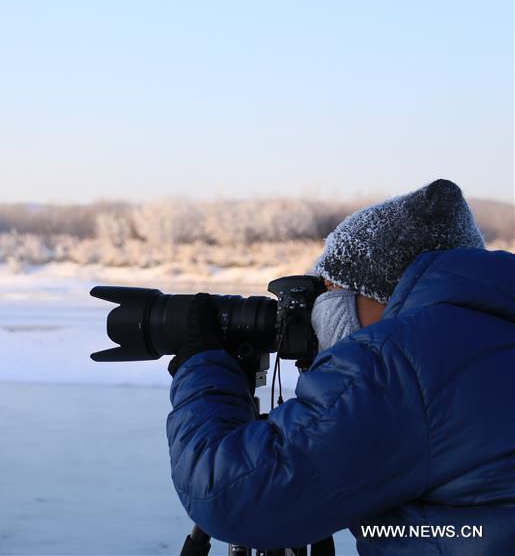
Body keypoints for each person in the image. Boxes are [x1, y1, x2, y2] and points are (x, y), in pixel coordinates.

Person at [166, 179, 515, 555]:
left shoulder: (400, 361)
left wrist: (203, 366)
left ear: (381, 292)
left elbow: (229, 495)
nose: (323, 309)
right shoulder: (489, 332)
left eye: (332, 290)